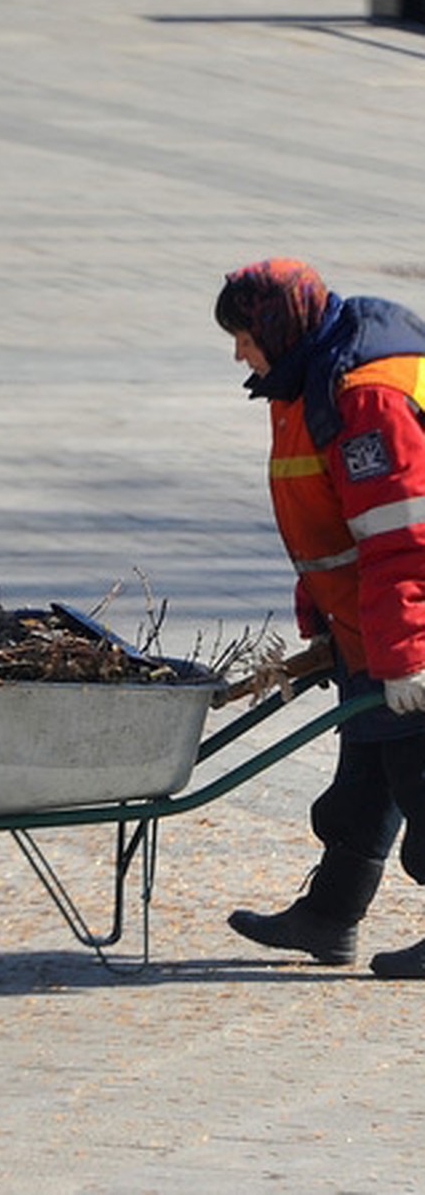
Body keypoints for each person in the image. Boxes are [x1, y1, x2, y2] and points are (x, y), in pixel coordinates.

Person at [215, 257, 425, 979]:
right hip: (374, 620)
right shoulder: (309, 374)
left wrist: (405, 656)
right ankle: (329, 916)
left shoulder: (366, 396)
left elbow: (405, 536)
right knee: (366, 773)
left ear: (279, 324)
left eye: (244, 336)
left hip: (413, 623)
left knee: (421, 774)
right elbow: (331, 518)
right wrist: (323, 611)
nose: (240, 353)